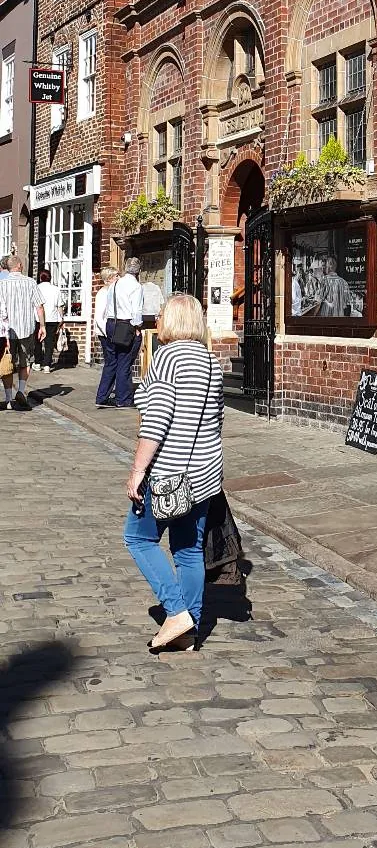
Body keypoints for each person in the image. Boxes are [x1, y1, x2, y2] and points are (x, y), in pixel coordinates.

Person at [124, 293, 224, 652]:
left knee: (138, 538)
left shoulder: (166, 357)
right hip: (205, 472)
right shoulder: (213, 362)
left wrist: (138, 470)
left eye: (162, 314)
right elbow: (217, 420)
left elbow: (156, 421)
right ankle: (189, 630)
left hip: (169, 472)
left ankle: (178, 610)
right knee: (188, 549)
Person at [96, 257, 144, 409]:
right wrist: (137, 327)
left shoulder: (115, 284)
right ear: (138, 271)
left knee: (111, 362)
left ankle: (102, 396)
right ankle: (123, 399)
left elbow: (110, 304)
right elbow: (136, 310)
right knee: (124, 362)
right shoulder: (136, 286)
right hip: (126, 325)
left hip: (111, 323)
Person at [0, 258, 45, 411]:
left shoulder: (2, 284)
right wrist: (43, 326)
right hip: (27, 329)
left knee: (7, 363)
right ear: (19, 266)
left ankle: (8, 399)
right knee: (26, 361)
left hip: (7, 331)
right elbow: (39, 306)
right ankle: (21, 390)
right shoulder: (30, 282)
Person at [33, 270, 64, 372]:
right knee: (49, 343)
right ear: (50, 278)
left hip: (37, 318)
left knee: (37, 341)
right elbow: (59, 306)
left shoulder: (36, 288)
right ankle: (47, 365)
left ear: (40, 278)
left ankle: (37, 363)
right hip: (52, 319)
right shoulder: (56, 289)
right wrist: (62, 318)